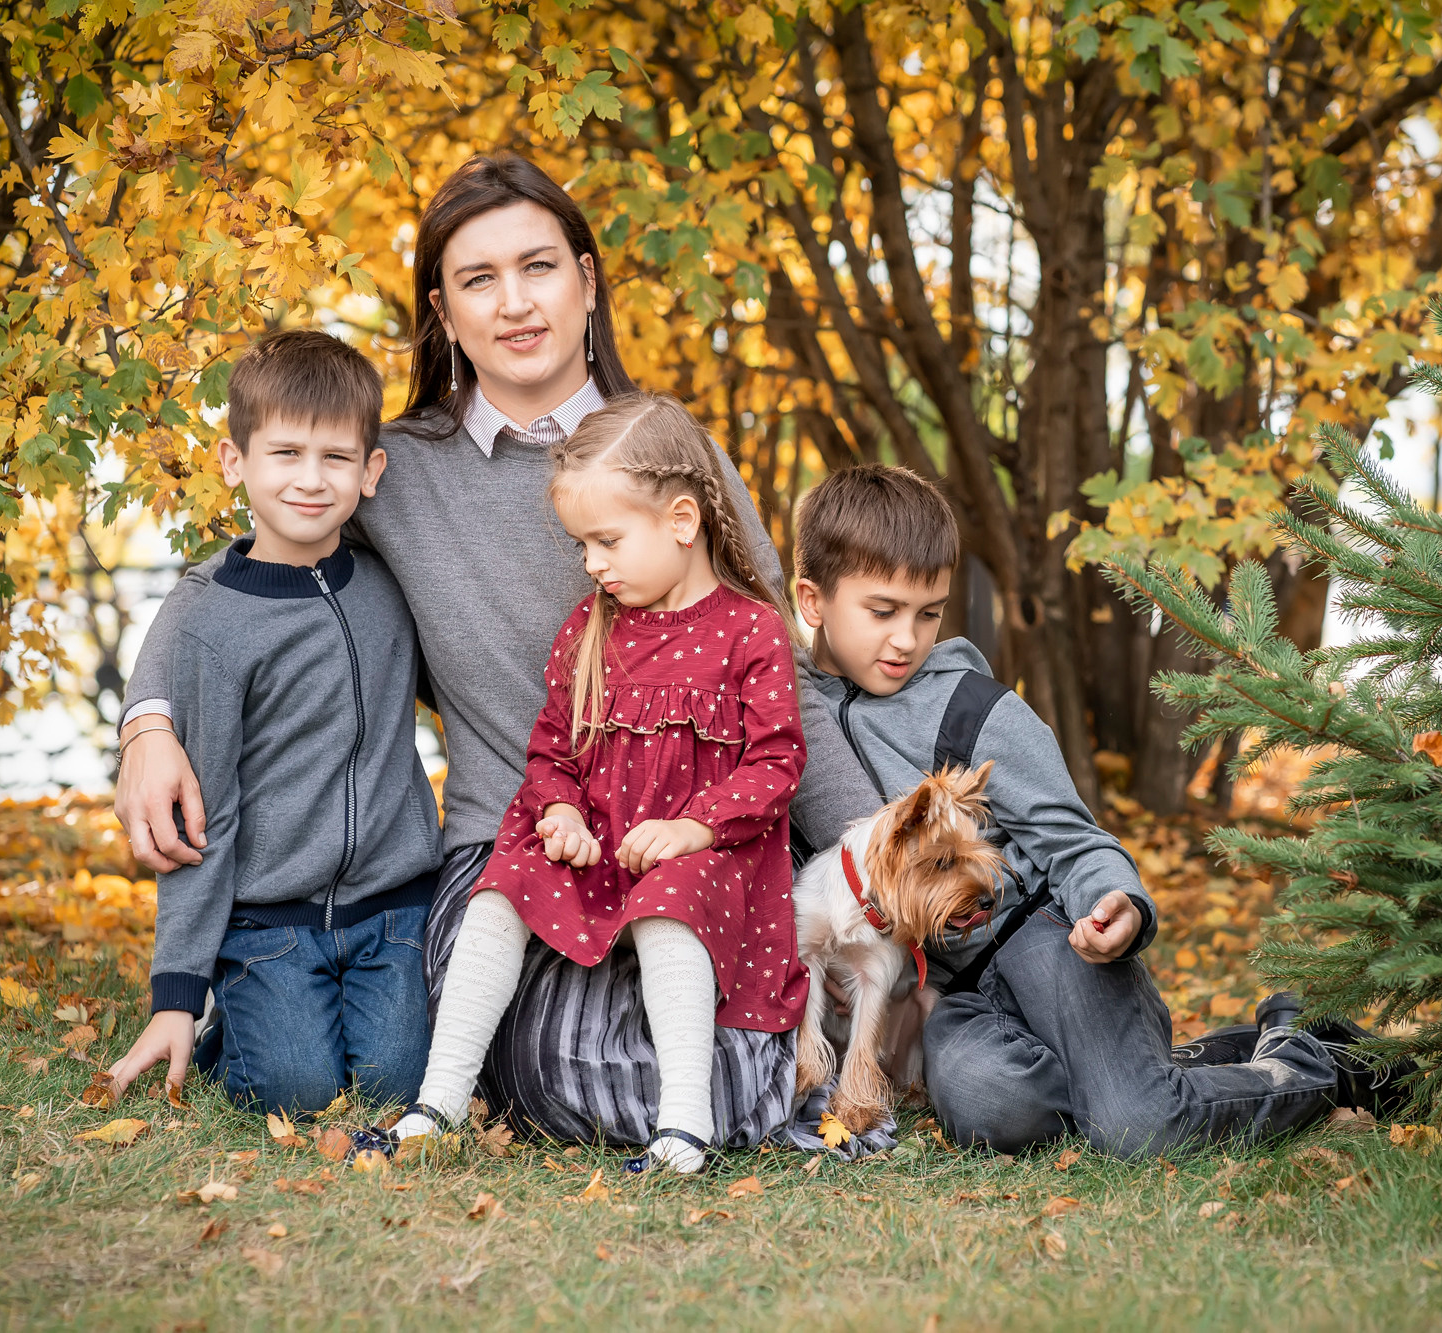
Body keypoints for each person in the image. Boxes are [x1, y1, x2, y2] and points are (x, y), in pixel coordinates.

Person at [114, 153, 879, 1140]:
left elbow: (782, 684)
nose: (515, 304)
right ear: (443, 310)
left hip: (694, 837)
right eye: (479, 280)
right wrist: (148, 720)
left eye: (539, 267)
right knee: (586, 1072)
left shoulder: (666, 447)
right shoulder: (393, 470)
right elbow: (236, 577)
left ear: (587, 280)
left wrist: (882, 854)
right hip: (512, 850)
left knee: (831, 1007)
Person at [792, 465, 1341, 1156]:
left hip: (1045, 936)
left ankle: (1318, 1058)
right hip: (959, 993)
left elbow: (1075, 840)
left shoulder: (972, 706)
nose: (907, 638)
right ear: (812, 601)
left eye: (928, 612)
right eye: (883, 611)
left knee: (1139, 1127)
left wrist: (1120, 903)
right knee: (991, 1106)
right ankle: (1148, 1071)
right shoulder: (789, 710)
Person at [381, 395, 806, 1172]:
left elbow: (776, 764)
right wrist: (563, 811)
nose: (592, 563)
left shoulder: (751, 629)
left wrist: (694, 826)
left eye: (607, 540)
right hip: (601, 850)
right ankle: (436, 1101)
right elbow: (553, 749)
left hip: (709, 860)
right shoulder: (592, 627)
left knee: (672, 894)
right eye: (583, 544)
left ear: (682, 521)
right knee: (503, 880)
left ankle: (683, 1124)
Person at [105, 331, 442, 1115]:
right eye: (285, 453)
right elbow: (201, 810)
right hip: (270, 920)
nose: (310, 480)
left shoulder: (390, 589)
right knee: (297, 1088)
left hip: (394, 906)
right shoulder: (209, 622)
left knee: (398, 1083)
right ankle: (237, 1021)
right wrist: (176, 992)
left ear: (371, 470)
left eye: (335, 457)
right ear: (235, 462)